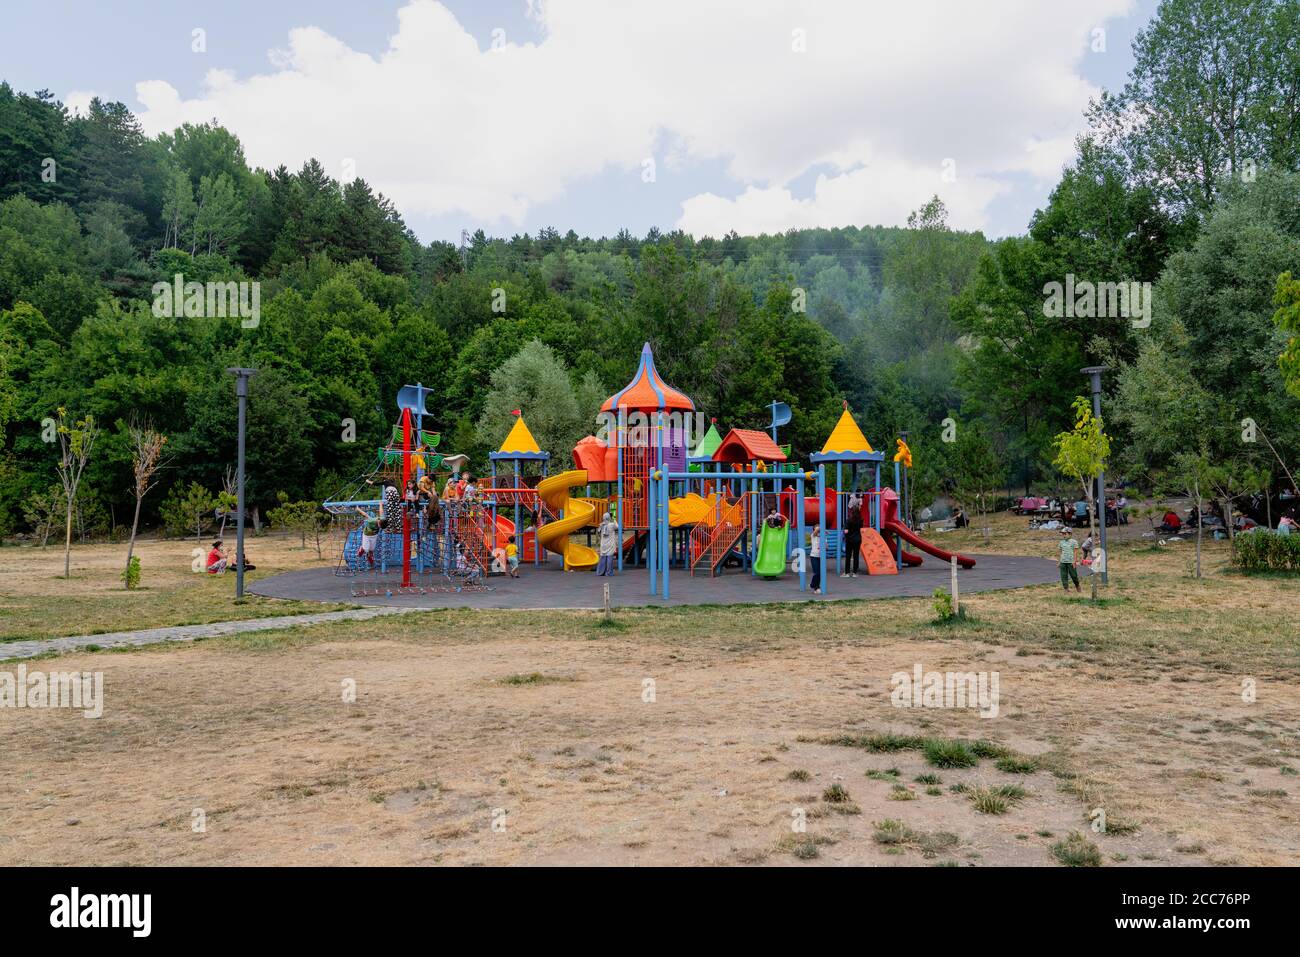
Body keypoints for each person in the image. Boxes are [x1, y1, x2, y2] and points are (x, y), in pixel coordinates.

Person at [842, 503, 863, 578]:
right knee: (856, 556)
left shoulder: (849, 520)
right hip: (858, 539)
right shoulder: (861, 519)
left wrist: (844, 531)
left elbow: (846, 531)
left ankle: (847, 573)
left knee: (848, 556)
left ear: (852, 511)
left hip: (850, 540)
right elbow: (861, 527)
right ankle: (855, 573)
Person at [1057, 527, 1081, 593]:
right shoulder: (1061, 542)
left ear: (1070, 534)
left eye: (1065, 534)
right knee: (1063, 575)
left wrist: (1074, 561)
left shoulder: (1074, 542)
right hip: (1063, 562)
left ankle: (1077, 585)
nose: (1063, 535)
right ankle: (1066, 589)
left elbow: (1075, 552)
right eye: (1062, 534)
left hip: (1071, 562)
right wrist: (1059, 561)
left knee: (1074, 575)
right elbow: (1060, 552)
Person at [809, 524, 822, 594]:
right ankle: (814, 585)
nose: (818, 531)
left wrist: (824, 546)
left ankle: (816, 586)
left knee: (820, 573)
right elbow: (816, 531)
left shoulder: (822, 536)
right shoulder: (813, 536)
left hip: (821, 556)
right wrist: (821, 529)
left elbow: (826, 546)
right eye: (817, 529)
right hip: (814, 556)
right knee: (816, 572)